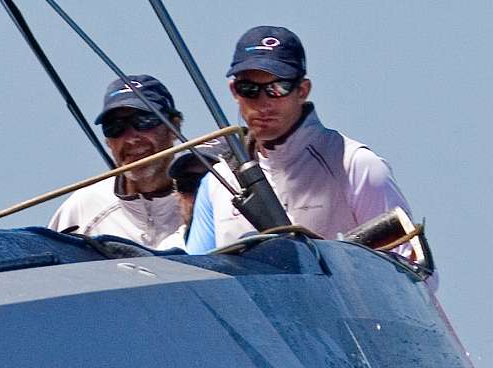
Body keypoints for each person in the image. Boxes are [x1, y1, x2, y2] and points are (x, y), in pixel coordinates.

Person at [186, 26, 414, 254]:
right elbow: (195, 275)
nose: (264, 102)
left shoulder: (356, 165)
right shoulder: (216, 182)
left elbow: (414, 273)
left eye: (277, 88)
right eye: (249, 89)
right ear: (234, 91)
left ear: (303, 90)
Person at [48, 74, 185, 249]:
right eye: (115, 127)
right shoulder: (82, 207)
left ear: (174, 128)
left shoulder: (206, 195)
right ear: (108, 142)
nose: (130, 138)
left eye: (144, 120)